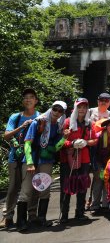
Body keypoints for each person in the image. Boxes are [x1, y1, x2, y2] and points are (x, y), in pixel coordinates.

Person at [22, 100, 67, 228]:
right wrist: (30, 162)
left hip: (46, 160)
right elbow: (27, 143)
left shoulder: (58, 126)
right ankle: (22, 221)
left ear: (63, 113)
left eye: (60, 111)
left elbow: (57, 147)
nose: (57, 112)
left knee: (44, 189)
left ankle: (41, 218)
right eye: (55, 109)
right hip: (33, 159)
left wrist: (64, 138)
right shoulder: (39, 121)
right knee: (27, 190)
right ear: (51, 108)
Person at [2, 88, 40, 230]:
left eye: (31, 97)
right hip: (15, 156)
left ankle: (31, 215)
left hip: (32, 157)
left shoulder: (40, 116)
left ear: (36, 101)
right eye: (25, 97)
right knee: (13, 187)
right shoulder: (15, 117)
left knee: (30, 187)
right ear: (23, 101)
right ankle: (8, 216)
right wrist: (21, 127)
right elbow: (6, 136)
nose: (28, 99)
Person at [59, 98, 97, 223]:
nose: (82, 109)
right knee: (67, 185)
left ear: (87, 109)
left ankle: (79, 212)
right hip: (68, 158)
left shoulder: (89, 123)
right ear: (75, 108)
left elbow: (94, 140)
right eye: (79, 107)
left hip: (84, 158)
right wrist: (72, 143)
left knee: (82, 185)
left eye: (84, 107)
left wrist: (85, 142)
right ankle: (64, 215)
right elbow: (61, 142)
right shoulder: (67, 122)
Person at [90, 115, 110, 213]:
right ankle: (95, 205)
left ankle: (106, 204)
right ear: (106, 126)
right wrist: (94, 165)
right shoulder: (99, 135)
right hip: (99, 162)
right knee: (98, 182)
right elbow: (94, 152)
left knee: (108, 182)